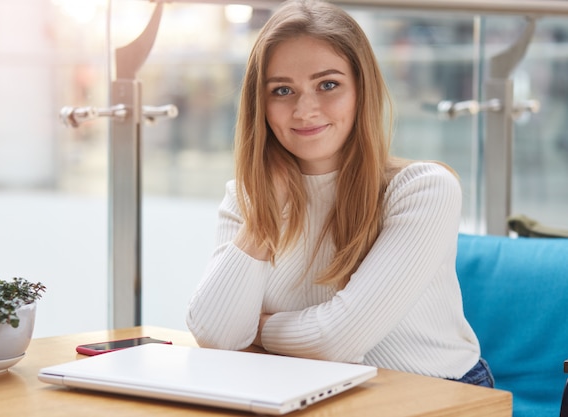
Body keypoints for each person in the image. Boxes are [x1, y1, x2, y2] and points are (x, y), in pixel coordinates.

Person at [186, 0, 494, 387]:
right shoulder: (245, 197)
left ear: (361, 91)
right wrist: (263, 219)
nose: (305, 109)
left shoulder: (423, 189)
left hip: (434, 390)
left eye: (328, 85)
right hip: (307, 385)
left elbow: (338, 338)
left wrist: (257, 332)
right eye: (282, 90)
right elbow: (215, 336)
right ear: (260, 105)